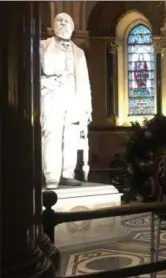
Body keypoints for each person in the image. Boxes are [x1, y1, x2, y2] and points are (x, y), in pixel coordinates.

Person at [41, 13, 92, 188]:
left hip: (73, 100)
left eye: (67, 21)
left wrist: (87, 108)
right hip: (51, 97)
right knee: (52, 136)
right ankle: (51, 176)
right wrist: (51, 81)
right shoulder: (43, 46)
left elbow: (84, 82)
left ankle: (68, 173)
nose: (63, 24)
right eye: (59, 21)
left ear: (73, 27)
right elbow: (33, 76)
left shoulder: (79, 52)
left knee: (71, 136)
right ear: (53, 26)